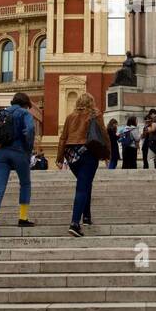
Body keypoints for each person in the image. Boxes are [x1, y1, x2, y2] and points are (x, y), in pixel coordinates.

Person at [57, 92, 111, 237]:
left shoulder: (70, 117)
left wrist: (60, 158)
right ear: (91, 102)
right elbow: (104, 135)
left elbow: (63, 138)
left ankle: (86, 216)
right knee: (82, 186)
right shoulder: (95, 115)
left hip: (71, 155)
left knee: (86, 183)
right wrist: (107, 154)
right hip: (88, 152)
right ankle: (75, 223)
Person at [0, 92, 37, 238]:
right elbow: (31, 129)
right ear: (26, 104)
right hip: (19, 152)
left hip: (1, 154)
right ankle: (23, 217)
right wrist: (28, 148)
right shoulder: (24, 113)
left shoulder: (1, 112)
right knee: (25, 184)